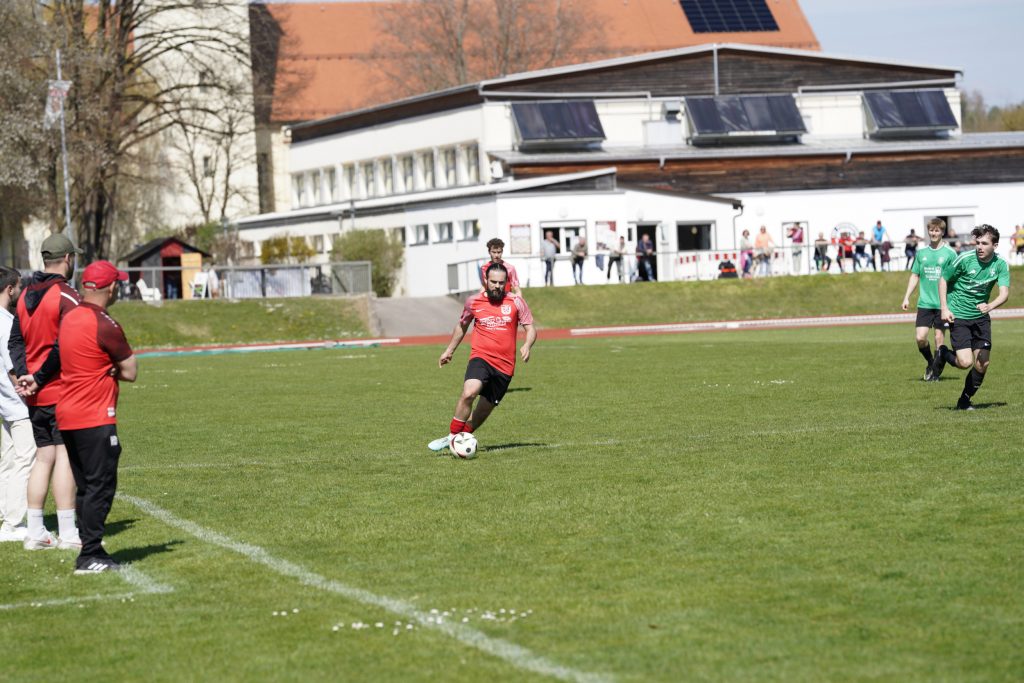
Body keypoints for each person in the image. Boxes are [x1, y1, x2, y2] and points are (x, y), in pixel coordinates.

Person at [56, 261, 137, 573]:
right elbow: (131, 371)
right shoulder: (105, 323)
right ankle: (89, 553)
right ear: (112, 288)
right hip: (95, 415)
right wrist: (111, 368)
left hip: (67, 414)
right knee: (100, 485)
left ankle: (91, 548)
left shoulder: (69, 316)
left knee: (86, 486)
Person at [9, 233, 83, 550]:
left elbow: (15, 341)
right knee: (65, 457)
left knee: (43, 457)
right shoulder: (67, 295)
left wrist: (24, 375)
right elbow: (63, 344)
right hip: (59, 389)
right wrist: (38, 376)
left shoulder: (24, 295)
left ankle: (35, 531)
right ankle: (68, 533)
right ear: (68, 259)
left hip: (34, 395)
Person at [427, 263, 536, 452]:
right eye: (493, 282)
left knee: (483, 410)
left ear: (506, 283)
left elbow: (530, 328)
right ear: (486, 281)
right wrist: (449, 351)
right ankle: (453, 437)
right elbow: (462, 326)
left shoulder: (516, 302)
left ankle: (462, 436)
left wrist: (527, 344)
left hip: (505, 366)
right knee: (470, 392)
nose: (497, 286)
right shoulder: (473, 301)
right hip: (481, 357)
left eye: (501, 283)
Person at [929, 225, 1010, 410]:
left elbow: (1004, 293)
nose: (979, 247)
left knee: (983, 363)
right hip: (959, 316)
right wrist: (944, 308)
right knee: (965, 363)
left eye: (984, 243)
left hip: (981, 318)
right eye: (977, 243)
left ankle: (964, 401)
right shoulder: (964, 259)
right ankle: (943, 353)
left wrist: (990, 306)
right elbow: (943, 279)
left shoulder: (1001, 265)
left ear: (995, 245)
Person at [0, 268, 35, 542]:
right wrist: (27, 392)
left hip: (4, 404)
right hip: (16, 402)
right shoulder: (6, 322)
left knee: (9, 461)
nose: (20, 291)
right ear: (10, 289)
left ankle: (4, 515)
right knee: (26, 460)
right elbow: (13, 365)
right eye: (18, 286)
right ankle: (12, 523)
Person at [901, 218, 957, 380]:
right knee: (920, 338)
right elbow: (915, 275)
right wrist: (906, 297)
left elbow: (956, 278)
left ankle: (935, 374)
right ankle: (930, 362)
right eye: (931, 230)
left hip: (943, 305)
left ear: (942, 232)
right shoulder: (922, 253)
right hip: (925, 303)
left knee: (939, 339)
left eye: (937, 230)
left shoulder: (950, 254)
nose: (934, 233)